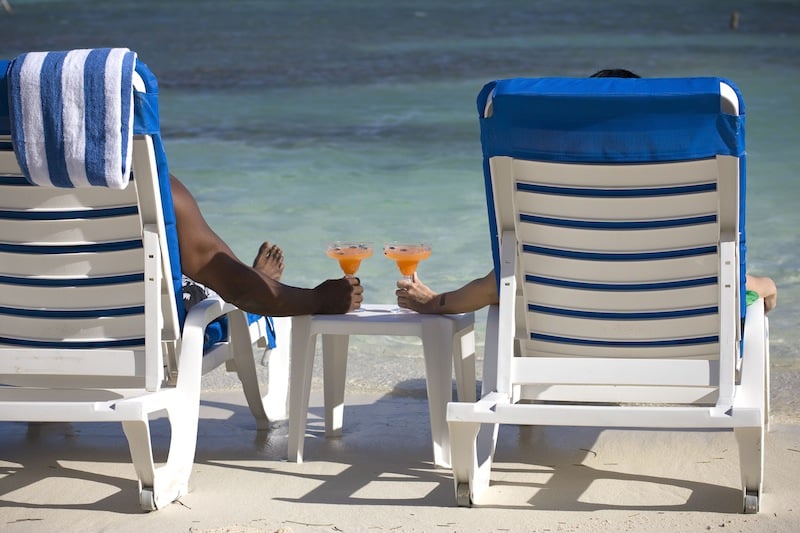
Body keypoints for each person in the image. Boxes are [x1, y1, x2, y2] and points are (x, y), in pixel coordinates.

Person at [396, 68, 777, 315]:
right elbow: (760, 290)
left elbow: (488, 288)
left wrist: (433, 303)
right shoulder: (685, 249)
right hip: (686, 346)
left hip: (566, 342)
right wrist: (766, 288)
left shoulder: (557, 243)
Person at [171, 175, 363, 317]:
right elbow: (231, 283)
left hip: (141, 340)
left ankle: (258, 281)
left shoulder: (140, 189)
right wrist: (319, 299)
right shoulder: (164, 191)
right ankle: (260, 284)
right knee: (235, 291)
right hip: (168, 331)